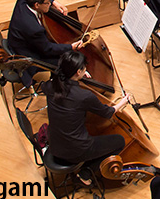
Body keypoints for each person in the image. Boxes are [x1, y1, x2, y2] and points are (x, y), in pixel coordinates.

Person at [43, 51, 128, 184]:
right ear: (78, 72)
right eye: (84, 69)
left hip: (54, 144)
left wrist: (79, 77)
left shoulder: (50, 86)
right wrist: (122, 103)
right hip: (76, 151)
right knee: (119, 141)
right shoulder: (84, 96)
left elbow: (59, 86)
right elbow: (107, 112)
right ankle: (86, 172)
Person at [7, 0, 81, 84]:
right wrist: (71, 47)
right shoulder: (34, 29)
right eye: (47, 3)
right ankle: (56, 84)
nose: (49, 5)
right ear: (37, 5)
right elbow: (48, 49)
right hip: (27, 54)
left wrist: (54, 2)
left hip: (16, 42)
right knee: (65, 59)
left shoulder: (22, 1)